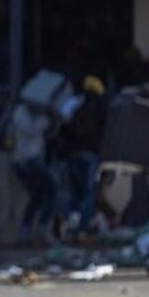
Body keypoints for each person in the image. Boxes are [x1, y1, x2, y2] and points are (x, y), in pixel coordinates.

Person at [62, 75, 107, 234]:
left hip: (74, 154)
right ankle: (82, 229)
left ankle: (69, 228)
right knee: (88, 193)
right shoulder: (100, 106)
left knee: (75, 194)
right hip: (90, 154)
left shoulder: (75, 104)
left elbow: (65, 126)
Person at [11, 99, 57, 244]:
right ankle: (40, 228)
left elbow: (50, 133)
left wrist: (54, 119)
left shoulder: (38, 114)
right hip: (26, 161)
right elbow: (30, 130)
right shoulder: (21, 112)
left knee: (37, 196)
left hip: (33, 160)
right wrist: (46, 117)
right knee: (51, 189)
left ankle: (27, 231)